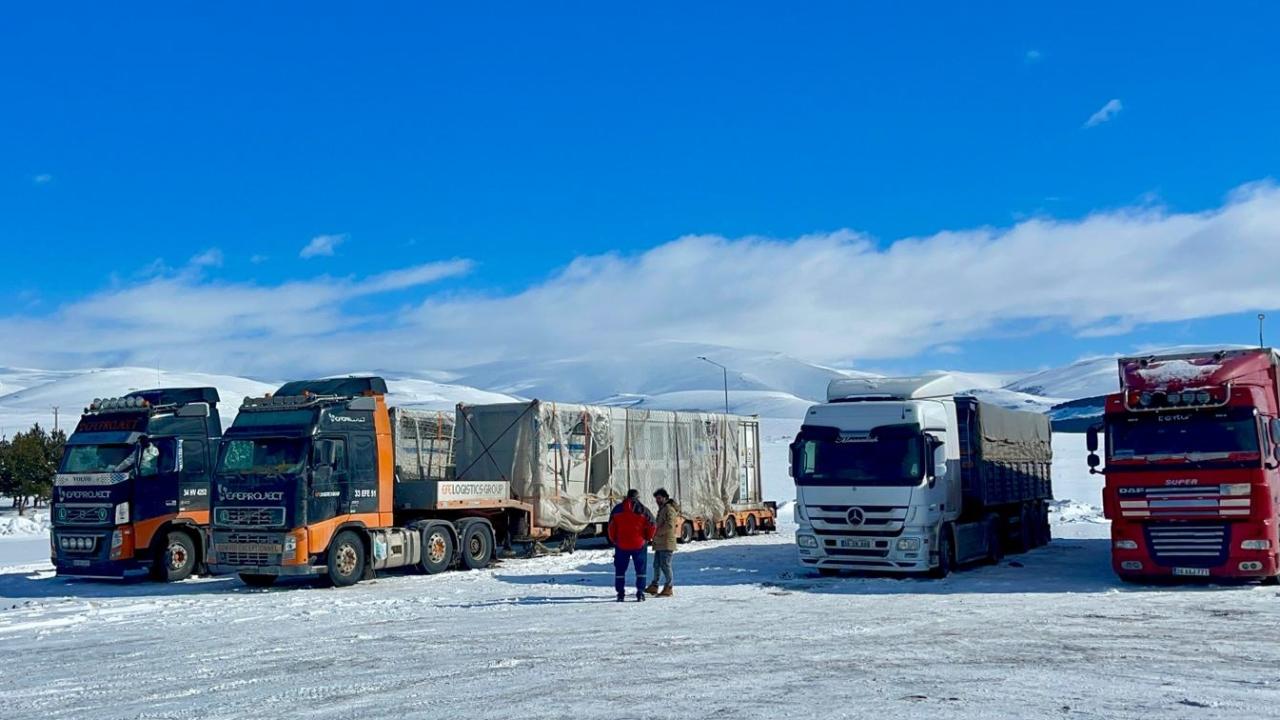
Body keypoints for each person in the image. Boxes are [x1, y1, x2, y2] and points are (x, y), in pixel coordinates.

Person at [607, 489, 656, 602]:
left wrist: (615, 539)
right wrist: (647, 538)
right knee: (640, 570)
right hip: (639, 544)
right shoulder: (643, 510)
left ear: (627, 496)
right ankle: (640, 593)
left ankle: (620, 594)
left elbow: (611, 527)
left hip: (621, 544)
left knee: (620, 570)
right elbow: (653, 525)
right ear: (637, 497)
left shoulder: (617, 509)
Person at [646, 488, 681, 597]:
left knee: (665, 565)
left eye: (659, 498)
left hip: (666, 542)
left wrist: (656, 533)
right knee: (656, 565)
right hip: (660, 543)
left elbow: (670, 525)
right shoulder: (662, 509)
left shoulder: (669, 509)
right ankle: (654, 585)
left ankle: (668, 587)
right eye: (656, 498)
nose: (657, 500)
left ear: (665, 498)